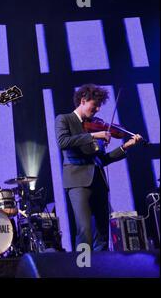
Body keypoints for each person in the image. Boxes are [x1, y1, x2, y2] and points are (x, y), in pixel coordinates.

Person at [55, 84, 142, 251]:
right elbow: (63, 142)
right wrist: (94, 135)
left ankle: (99, 269)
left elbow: (102, 159)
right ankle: (83, 268)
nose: (97, 109)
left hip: (99, 181)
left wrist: (126, 147)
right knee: (84, 230)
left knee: (102, 233)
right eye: (94, 105)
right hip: (78, 182)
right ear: (83, 100)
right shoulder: (64, 119)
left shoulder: (96, 125)